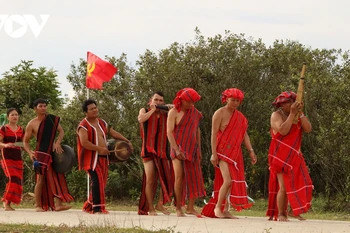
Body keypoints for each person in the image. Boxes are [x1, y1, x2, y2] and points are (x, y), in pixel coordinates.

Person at [201, 88, 257, 218]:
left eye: (238, 101)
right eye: (233, 100)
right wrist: (213, 154)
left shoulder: (240, 117)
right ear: (226, 99)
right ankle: (217, 208)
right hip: (222, 152)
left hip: (235, 153)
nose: (235, 103)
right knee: (227, 180)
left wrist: (251, 151)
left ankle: (226, 209)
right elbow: (214, 134)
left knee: (231, 183)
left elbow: (244, 135)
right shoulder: (219, 113)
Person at [77, 99, 133, 214]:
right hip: (91, 159)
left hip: (103, 158)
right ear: (85, 112)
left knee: (102, 181)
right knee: (97, 181)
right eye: (91, 109)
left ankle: (89, 205)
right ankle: (97, 208)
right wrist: (100, 149)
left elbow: (113, 133)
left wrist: (126, 140)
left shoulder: (102, 122)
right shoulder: (83, 126)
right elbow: (84, 143)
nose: (94, 110)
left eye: (95, 107)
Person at [266, 91, 313, 221]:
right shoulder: (276, 115)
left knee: (306, 183)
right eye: (288, 103)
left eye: (292, 102)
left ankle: (294, 210)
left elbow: (308, 129)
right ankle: (281, 213)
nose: (291, 105)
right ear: (281, 104)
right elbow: (283, 130)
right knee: (284, 186)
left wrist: (301, 114)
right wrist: (292, 114)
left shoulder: (298, 115)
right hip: (280, 155)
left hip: (295, 154)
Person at [23, 98, 73, 212]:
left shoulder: (51, 119)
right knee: (40, 179)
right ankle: (38, 205)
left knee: (57, 177)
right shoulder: (31, 123)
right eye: (40, 106)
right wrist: (30, 152)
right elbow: (25, 142)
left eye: (45, 106)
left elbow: (61, 131)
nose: (43, 108)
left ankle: (59, 204)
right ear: (35, 108)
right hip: (40, 153)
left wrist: (57, 142)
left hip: (53, 153)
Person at [167, 88, 206, 217]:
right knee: (179, 176)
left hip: (192, 147)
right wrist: (176, 149)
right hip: (177, 146)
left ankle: (190, 207)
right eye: (188, 101)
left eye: (193, 102)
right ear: (181, 99)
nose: (191, 104)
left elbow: (197, 131)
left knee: (194, 177)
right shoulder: (173, 112)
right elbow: (169, 132)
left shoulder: (195, 113)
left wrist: (198, 148)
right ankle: (178, 207)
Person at [138, 92, 174, 215]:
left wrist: (171, 109)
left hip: (162, 150)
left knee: (166, 179)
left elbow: (178, 117)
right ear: (151, 101)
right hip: (148, 150)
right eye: (156, 100)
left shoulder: (165, 114)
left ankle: (160, 204)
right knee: (150, 180)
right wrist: (153, 110)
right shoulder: (144, 109)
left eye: (160, 101)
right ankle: (150, 208)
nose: (158, 102)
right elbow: (141, 119)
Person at [0, 108, 25, 211]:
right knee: (12, 178)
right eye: (12, 115)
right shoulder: (4, 129)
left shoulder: (21, 129)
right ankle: (6, 202)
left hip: (17, 157)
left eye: (16, 115)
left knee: (17, 180)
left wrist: (30, 152)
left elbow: (23, 144)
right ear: (8, 117)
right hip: (6, 157)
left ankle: (9, 203)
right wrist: (5, 145)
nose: (15, 117)